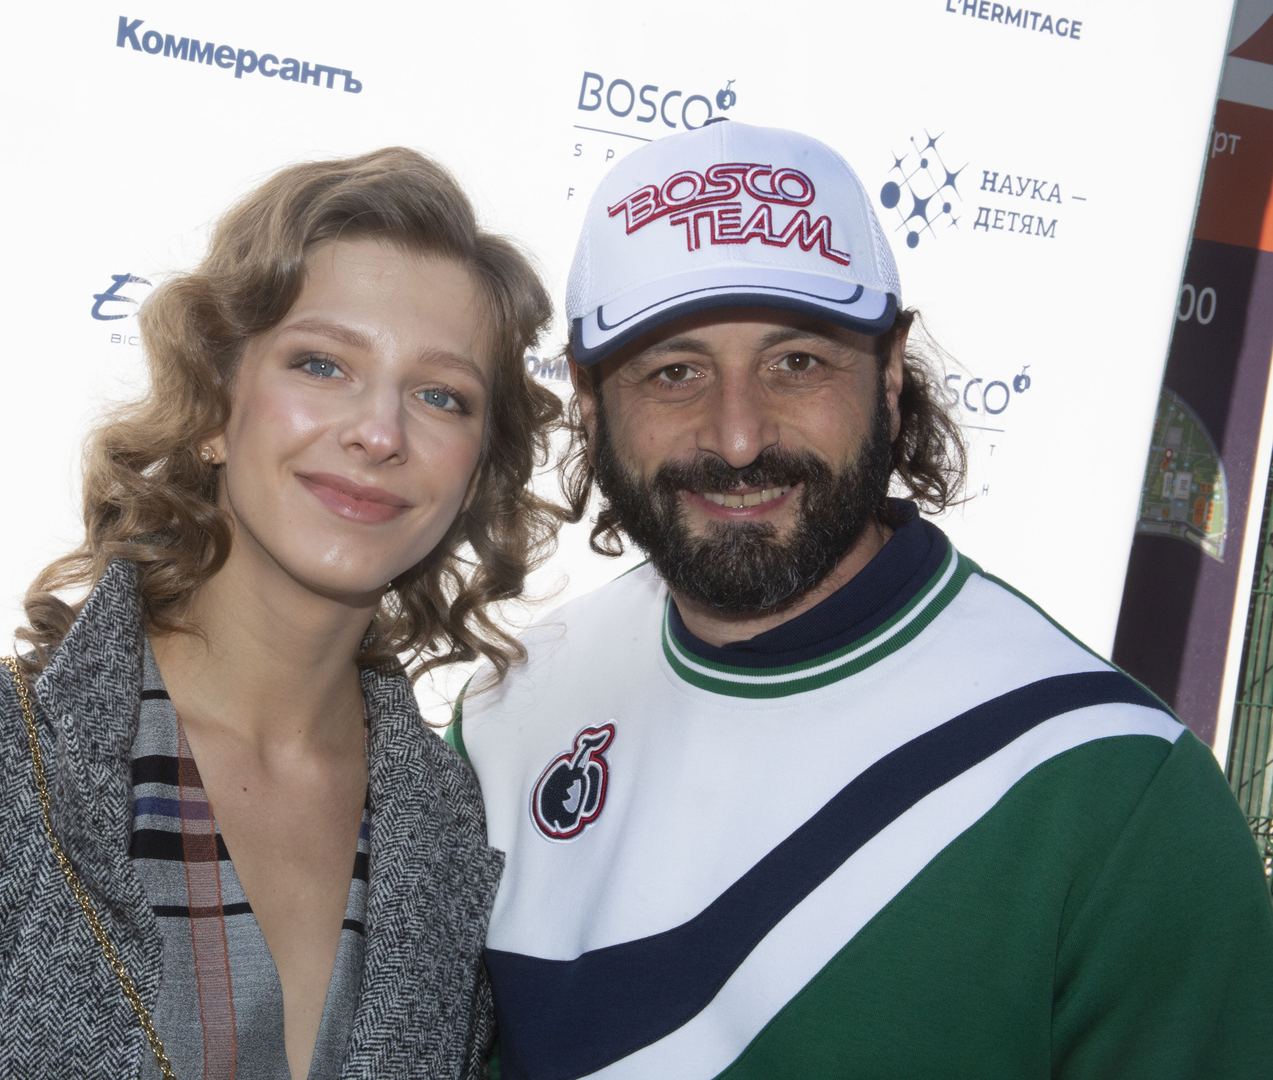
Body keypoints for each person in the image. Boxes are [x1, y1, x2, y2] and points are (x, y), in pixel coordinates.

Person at [0, 147, 565, 1080]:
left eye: (441, 396)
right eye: (321, 364)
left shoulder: (455, 832)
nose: (380, 432)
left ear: (474, 474)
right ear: (214, 407)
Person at [449, 119, 1273, 1079]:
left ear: (889, 374)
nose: (740, 436)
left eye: (797, 362)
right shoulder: (509, 713)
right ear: (590, 401)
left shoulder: (1113, 789)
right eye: (675, 372)